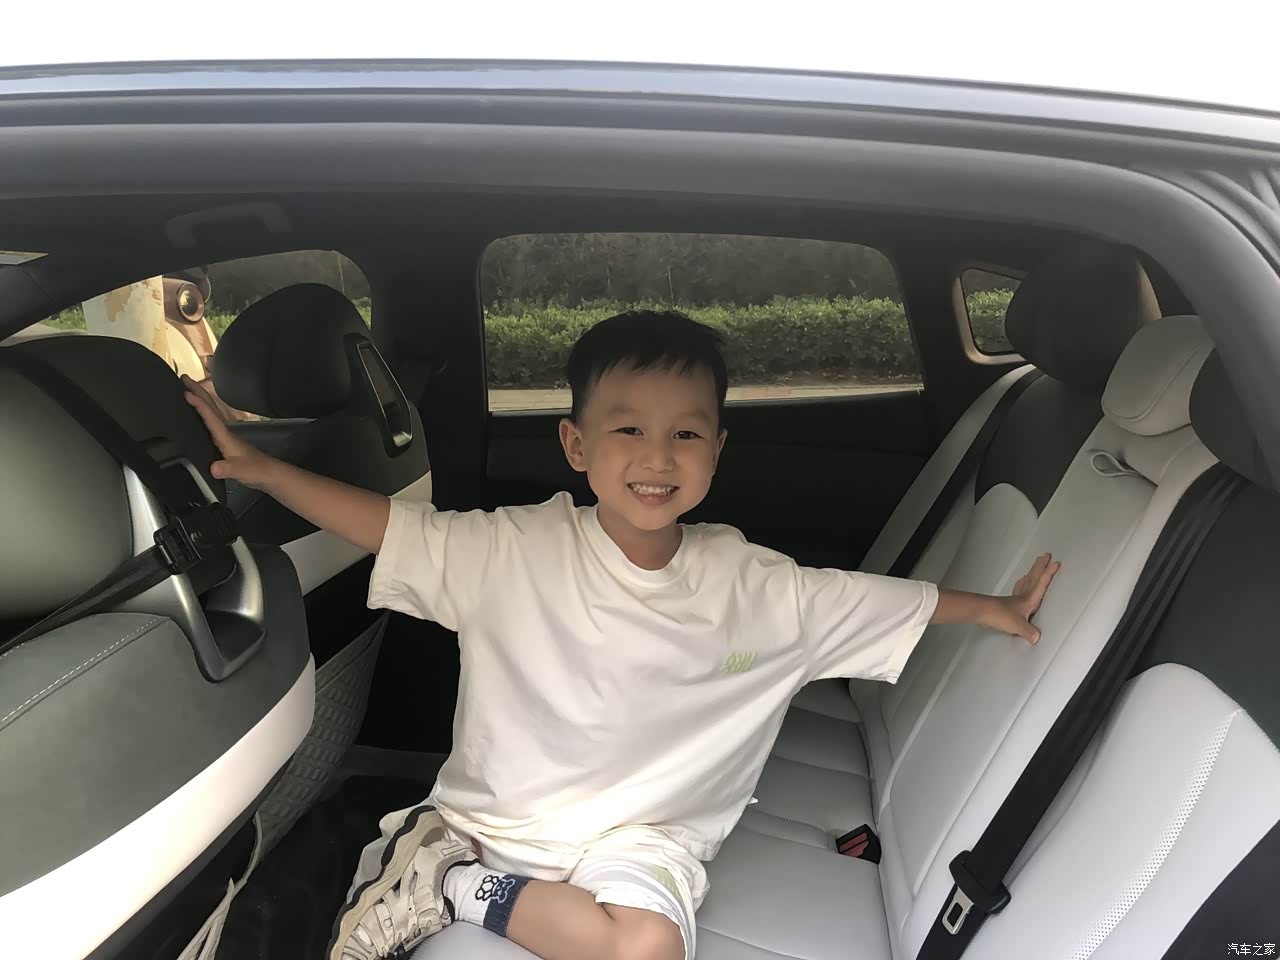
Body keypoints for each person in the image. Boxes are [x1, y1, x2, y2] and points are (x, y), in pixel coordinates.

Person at [183, 310, 1059, 960]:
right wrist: (266, 471)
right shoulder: (514, 549)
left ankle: (447, 884)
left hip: (648, 837)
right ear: (575, 444)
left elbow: (871, 602)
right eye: (628, 429)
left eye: (686, 433)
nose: (658, 456)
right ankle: (443, 861)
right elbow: (389, 529)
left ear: (718, 449)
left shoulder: (755, 585)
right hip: (501, 821)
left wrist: (991, 608)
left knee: (645, 948)